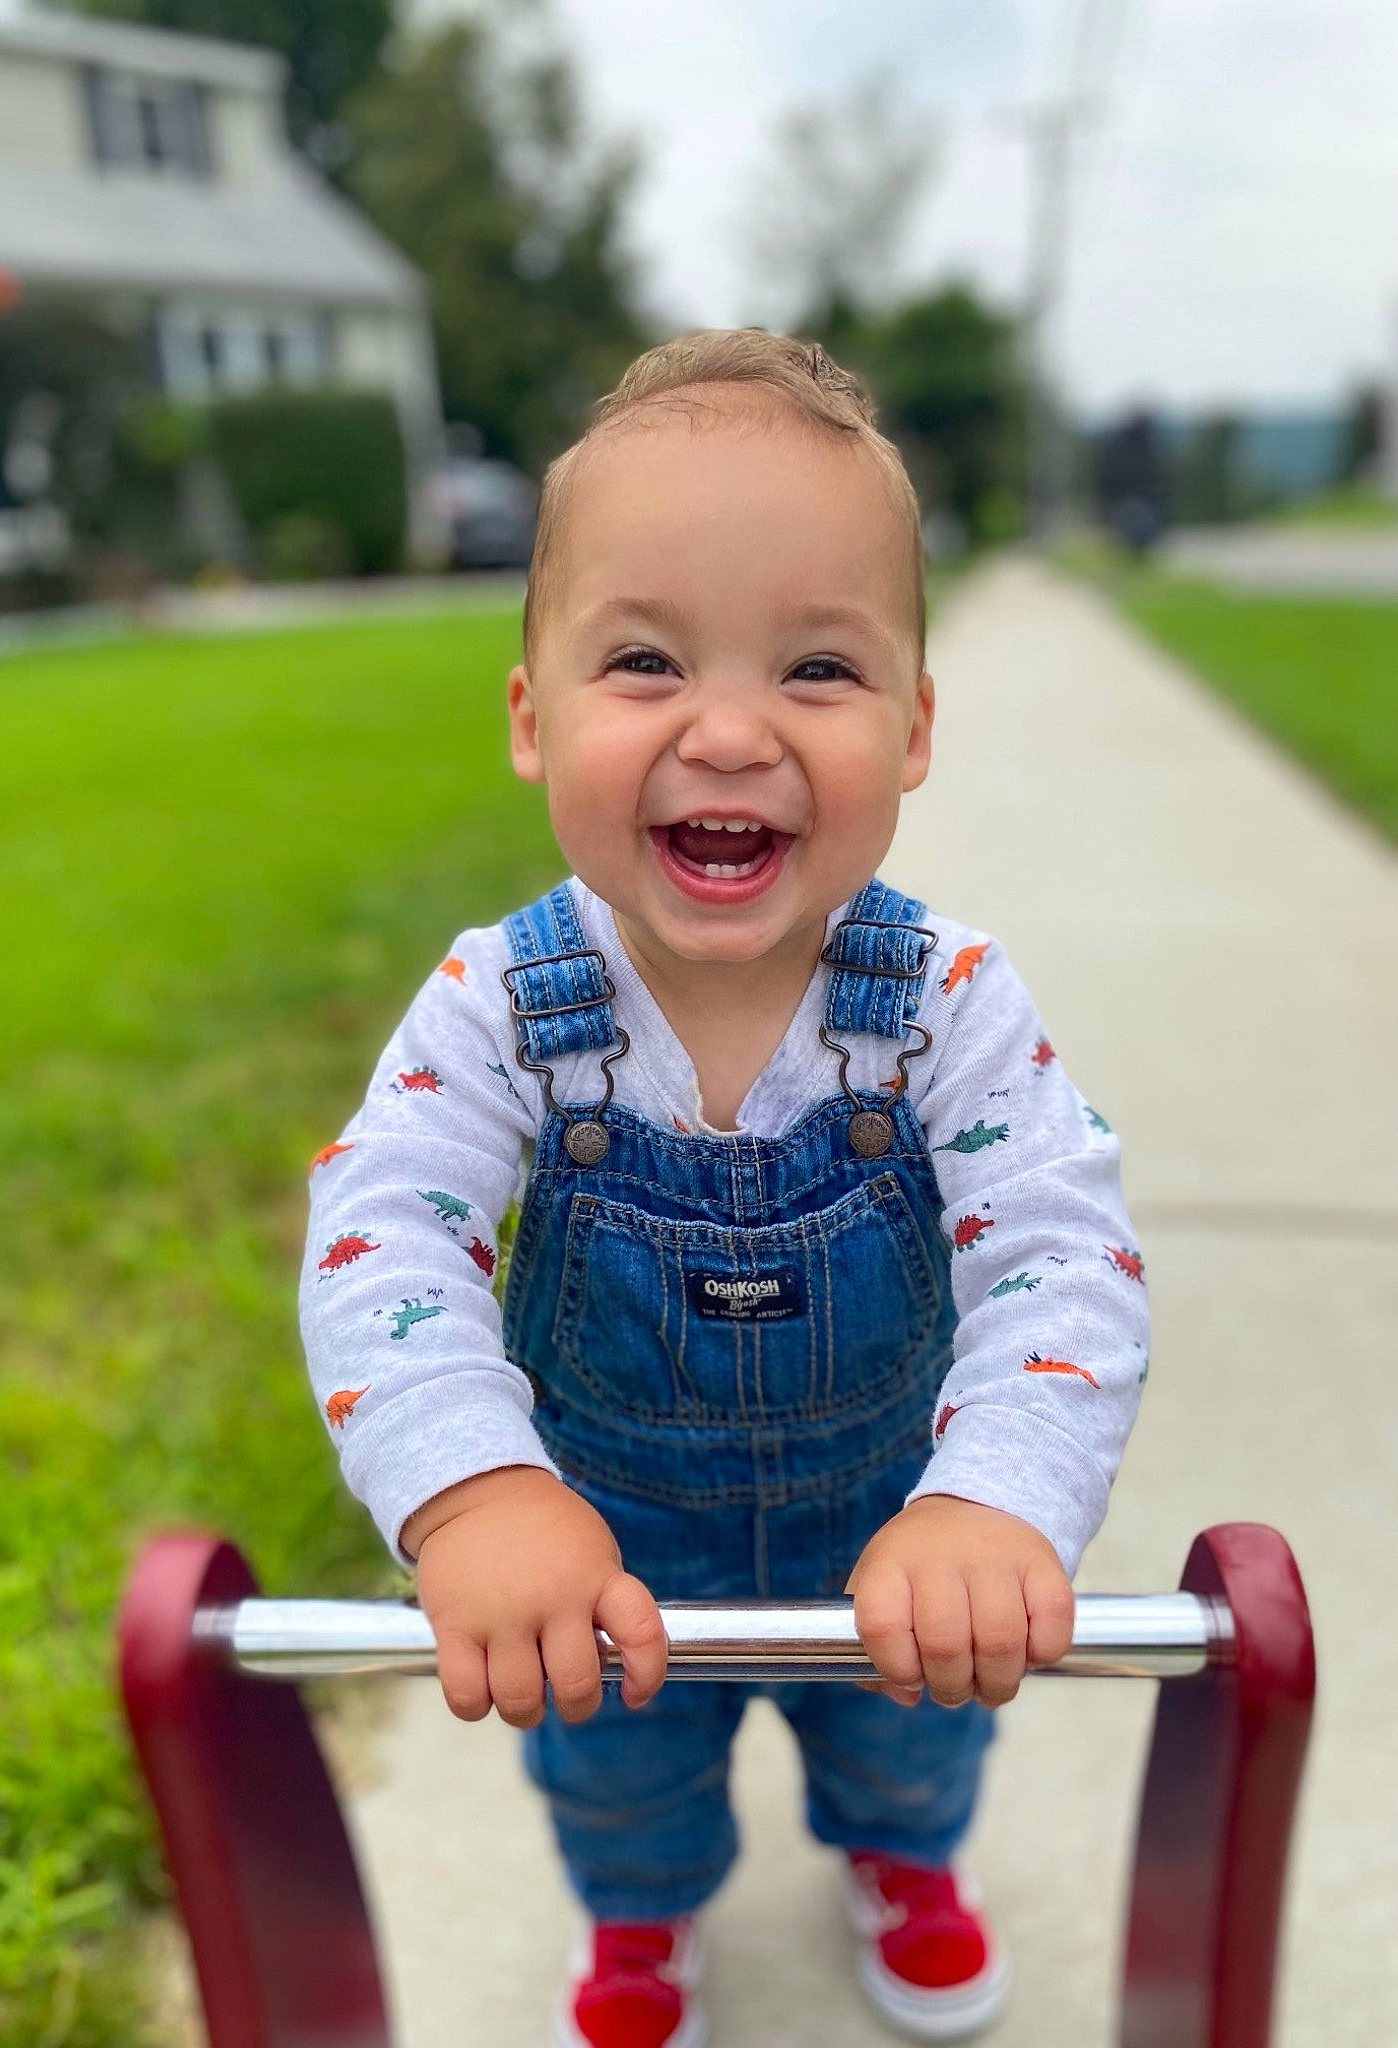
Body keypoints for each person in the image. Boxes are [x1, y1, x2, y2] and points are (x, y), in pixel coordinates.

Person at [300, 330, 1148, 2048]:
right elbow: (386, 1229)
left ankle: (904, 1864)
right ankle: (638, 1920)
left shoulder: (951, 1005)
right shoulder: (498, 1008)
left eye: (819, 670)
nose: (734, 731)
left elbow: (1062, 1256)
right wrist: (473, 1495)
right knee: (613, 1773)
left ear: (915, 727)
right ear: (534, 719)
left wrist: (993, 1503)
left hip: (893, 1529)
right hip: (595, 1540)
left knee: (918, 1738)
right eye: (645, 661)